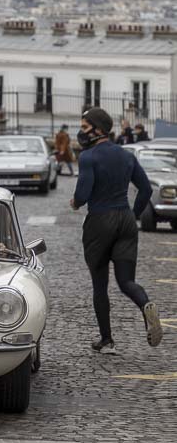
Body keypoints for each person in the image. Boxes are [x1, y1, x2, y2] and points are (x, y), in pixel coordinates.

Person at [70, 107, 162, 354]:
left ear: (98, 130)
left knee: (100, 285)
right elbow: (146, 190)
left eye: (85, 127)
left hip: (99, 221)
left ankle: (107, 339)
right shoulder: (127, 156)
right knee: (126, 281)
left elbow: (82, 194)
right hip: (126, 219)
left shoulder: (88, 157)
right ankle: (146, 305)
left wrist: (76, 202)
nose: (81, 132)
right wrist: (133, 215)